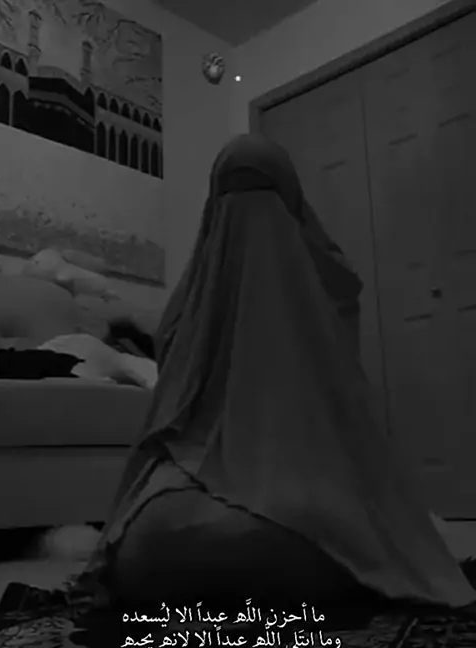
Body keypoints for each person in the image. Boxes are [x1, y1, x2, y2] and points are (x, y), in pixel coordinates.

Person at [79, 134, 475, 610]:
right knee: (342, 530)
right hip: (307, 503)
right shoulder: (330, 287)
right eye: (239, 201)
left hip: (202, 506)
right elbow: (349, 419)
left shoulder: (195, 308)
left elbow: (170, 416)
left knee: (154, 541)